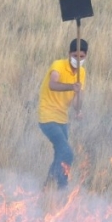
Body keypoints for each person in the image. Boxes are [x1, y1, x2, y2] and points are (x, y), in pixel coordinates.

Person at [38, 38, 87, 190]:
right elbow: (52, 84)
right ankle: (61, 187)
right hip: (47, 116)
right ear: (69, 54)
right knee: (67, 153)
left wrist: (78, 107)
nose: (78, 59)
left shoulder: (82, 73)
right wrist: (72, 86)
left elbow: (76, 104)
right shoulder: (58, 65)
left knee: (60, 155)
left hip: (62, 119)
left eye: (82, 57)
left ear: (86, 56)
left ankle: (47, 188)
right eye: (75, 55)